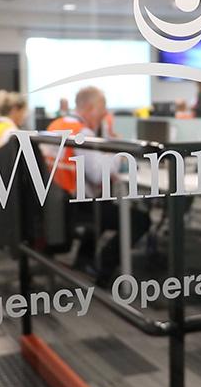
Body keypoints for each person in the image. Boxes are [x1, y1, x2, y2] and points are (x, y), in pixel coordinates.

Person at [44, 86, 150, 286]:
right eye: (103, 109)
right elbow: (99, 174)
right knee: (140, 219)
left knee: (105, 203)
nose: (105, 114)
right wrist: (117, 152)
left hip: (58, 201)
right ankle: (103, 268)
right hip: (76, 204)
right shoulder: (82, 133)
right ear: (91, 108)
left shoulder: (55, 125)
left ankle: (84, 261)